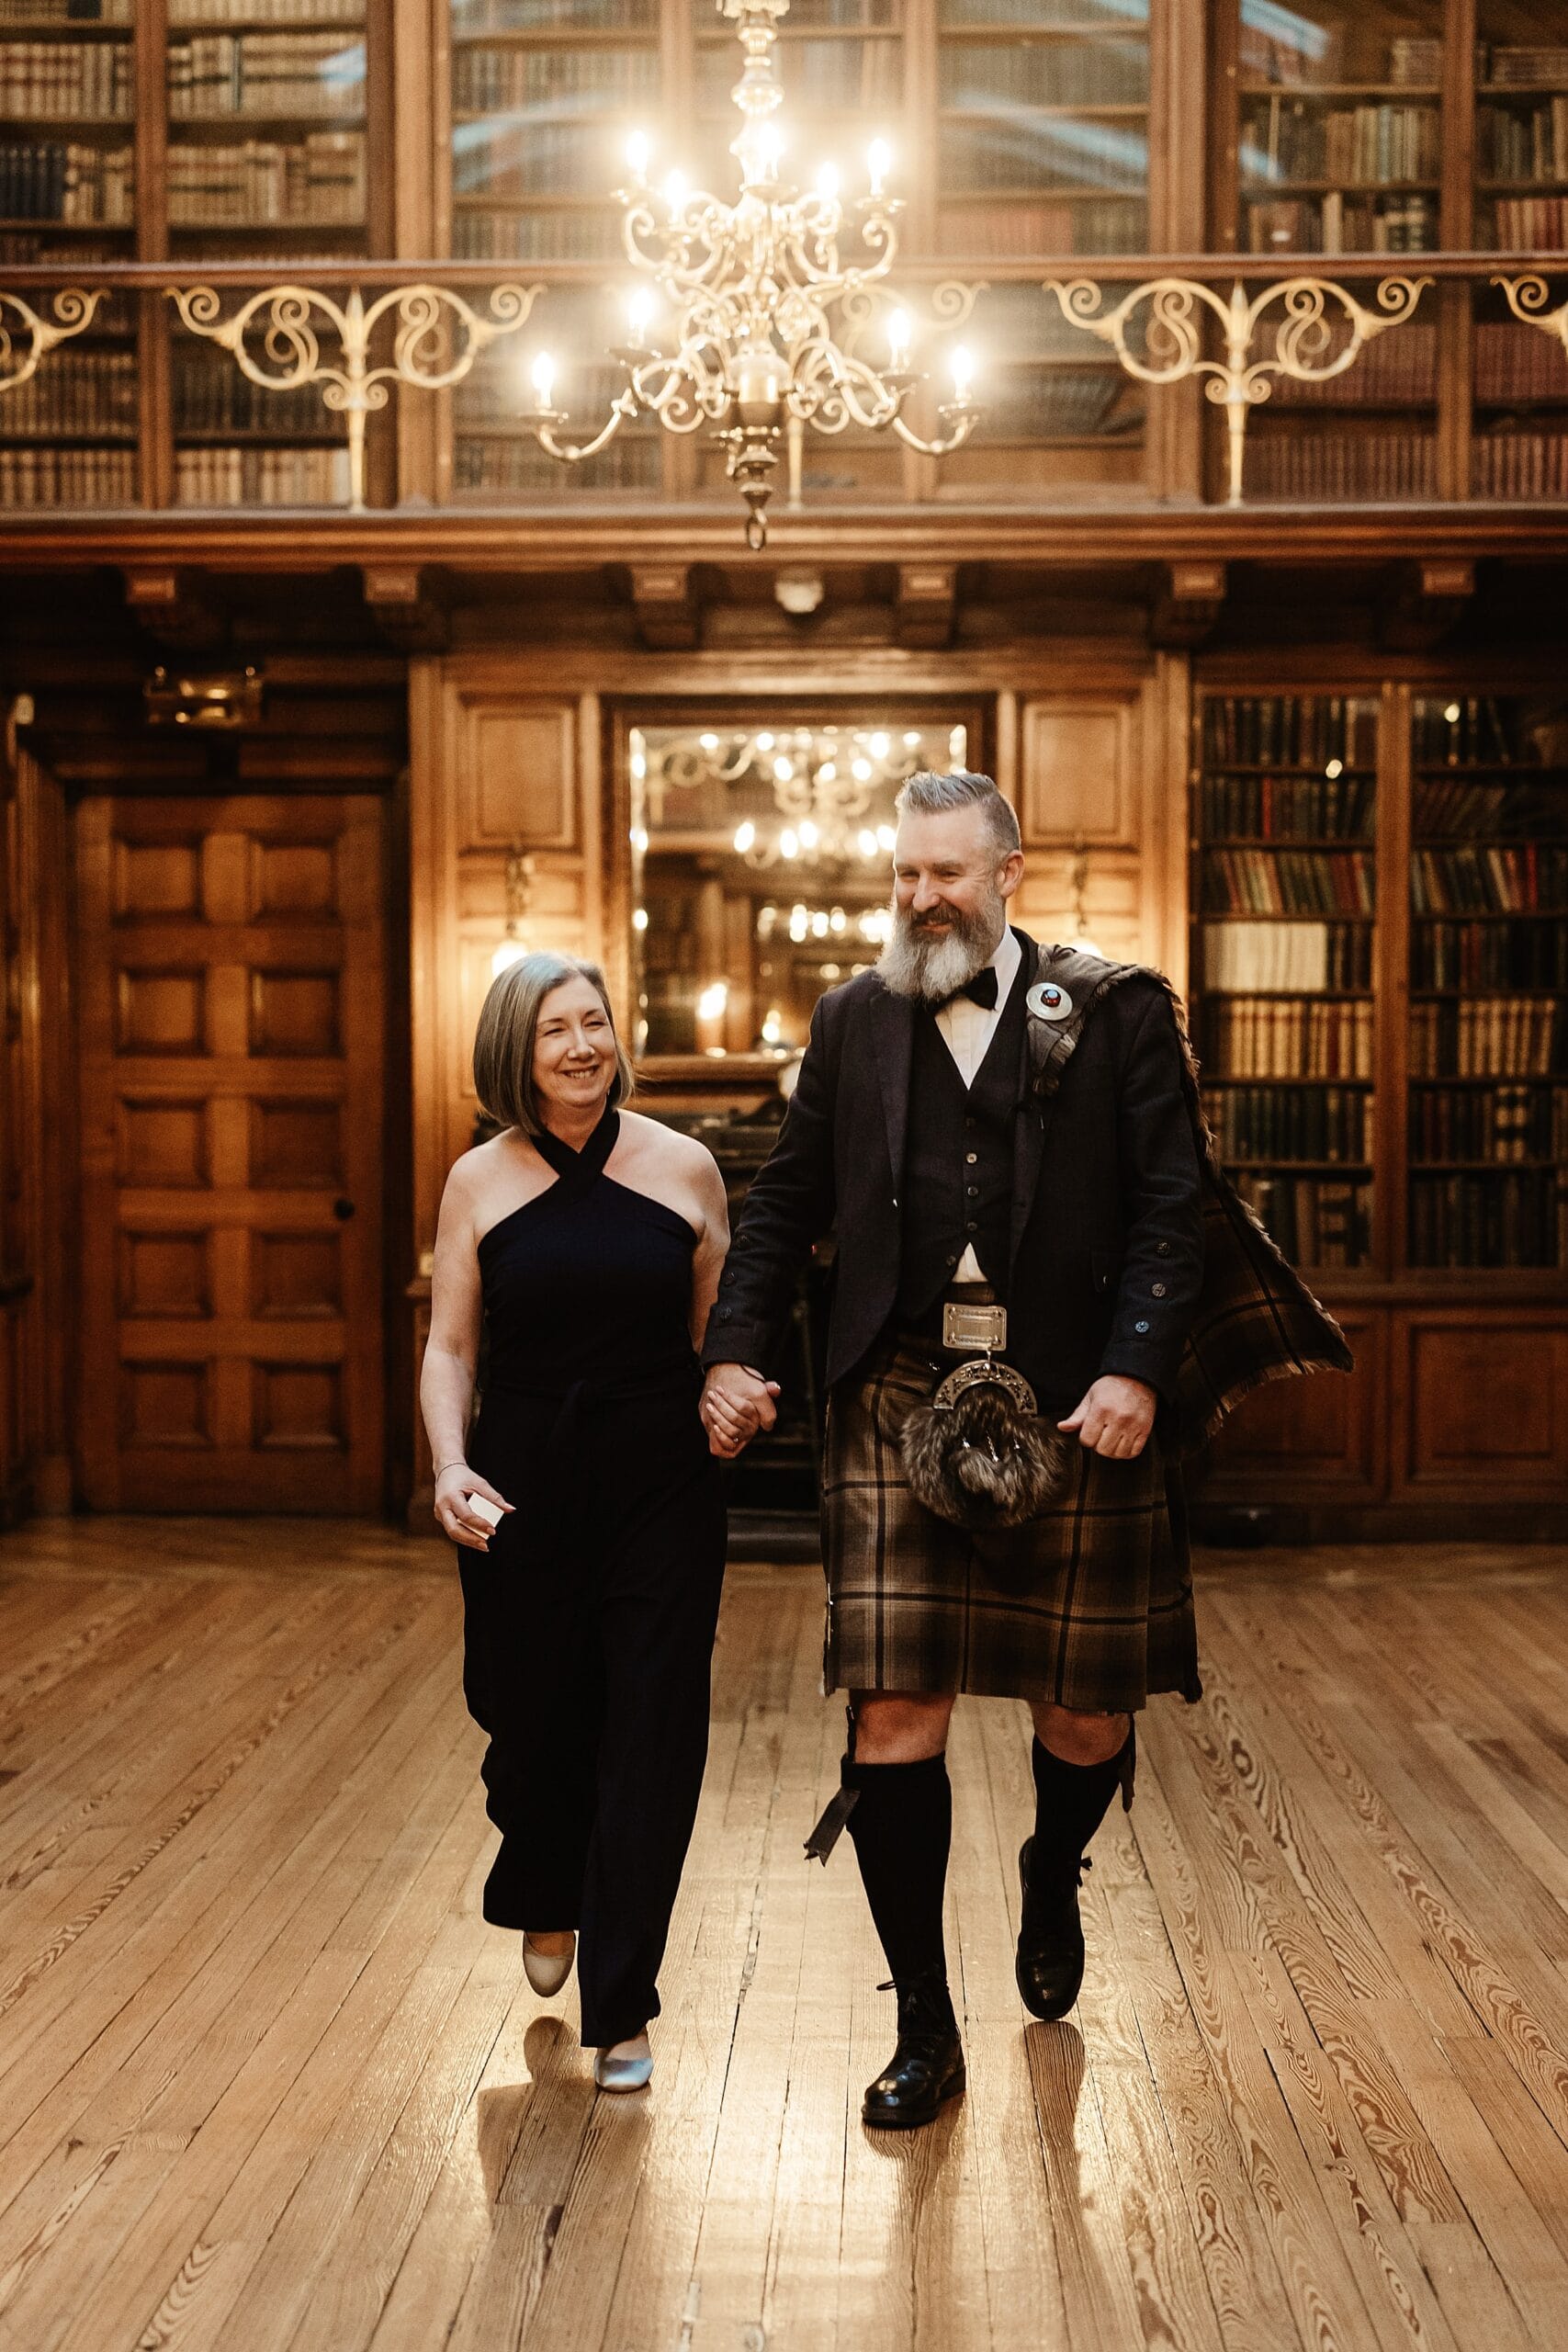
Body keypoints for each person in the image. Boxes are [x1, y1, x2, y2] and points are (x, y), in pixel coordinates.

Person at [700, 768, 1349, 2130]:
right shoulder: (854, 1020)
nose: (919, 897)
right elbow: (782, 1200)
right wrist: (734, 1349)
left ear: (1008, 874)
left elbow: (1172, 1209)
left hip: (1067, 1397)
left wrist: (1133, 1368)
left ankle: (1052, 1867)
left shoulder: (1108, 1015)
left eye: (945, 873)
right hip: (893, 1390)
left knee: (1083, 1713)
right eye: (903, 874)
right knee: (891, 1714)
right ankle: (924, 2029)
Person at [422, 951, 734, 2094]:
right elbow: (452, 1346)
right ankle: (546, 1884)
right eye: (555, 1027)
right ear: (517, 1047)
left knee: (653, 1729)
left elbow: (720, 1337)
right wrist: (450, 1463)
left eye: (595, 1022)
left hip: (661, 1481)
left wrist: (732, 1392)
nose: (581, 1045)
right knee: (534, 1717)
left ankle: (625, 2001)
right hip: (524, 1477)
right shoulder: (478, 1180)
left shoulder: (687, 1167)